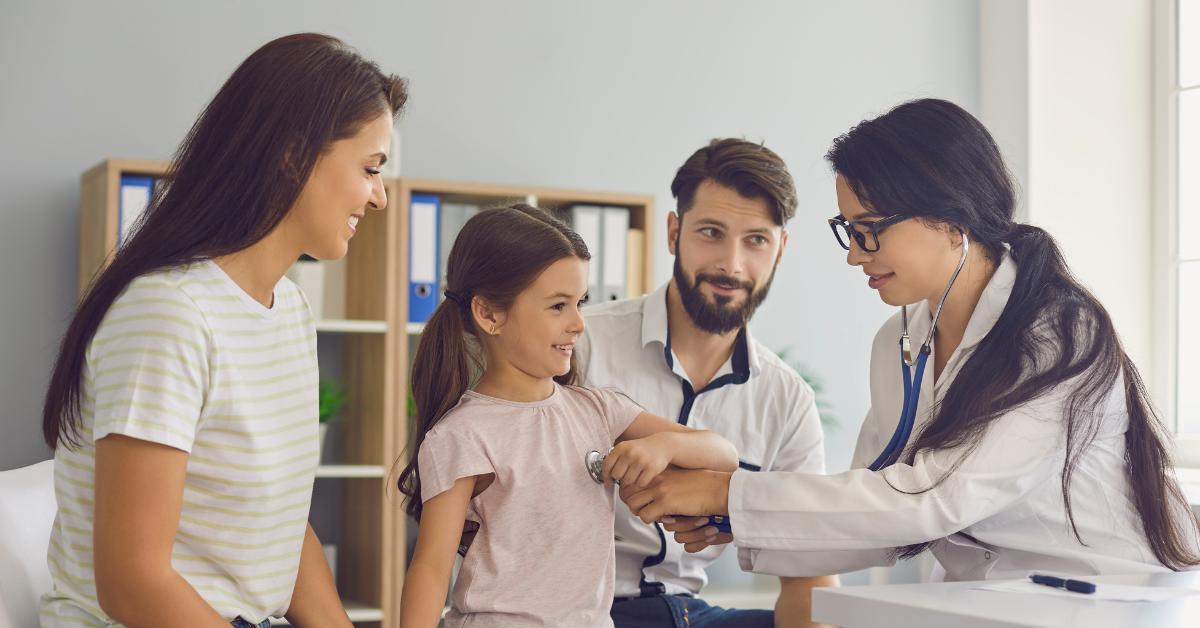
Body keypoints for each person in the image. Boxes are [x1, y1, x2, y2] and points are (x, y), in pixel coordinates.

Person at [621, 98, 1200, 582]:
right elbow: (880, 516)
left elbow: (931, 500)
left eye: (869, 231)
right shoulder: (899, 340)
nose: (853, 255)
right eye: (848, 231)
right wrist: (727, 520)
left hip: (1110, 598)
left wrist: (728, 494)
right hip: (998, 604)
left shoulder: (1058, 336)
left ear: (953, 221)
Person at [39, 34, 408, 628]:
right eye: (369, 169)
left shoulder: (288, 310)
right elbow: (133, 583)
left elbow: (281, 531)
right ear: (293, 155)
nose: (381, 197)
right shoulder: (169, 313)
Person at [395, 204, 739, 628]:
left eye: (580, 302)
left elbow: (722, 454)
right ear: (488, 314)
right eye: (558, 306)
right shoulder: (462, 435)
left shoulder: (600, 409)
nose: (579, 323)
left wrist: (665, 445)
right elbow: (430, 569)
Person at [575, 138, 836, 628]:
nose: (731, 265)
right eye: (711, 232)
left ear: (780, 249)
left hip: (689, 613)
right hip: (580, 610)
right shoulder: (582, 344)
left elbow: (810, 571)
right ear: (674, 232)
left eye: (756, 239)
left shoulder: (787, 399)